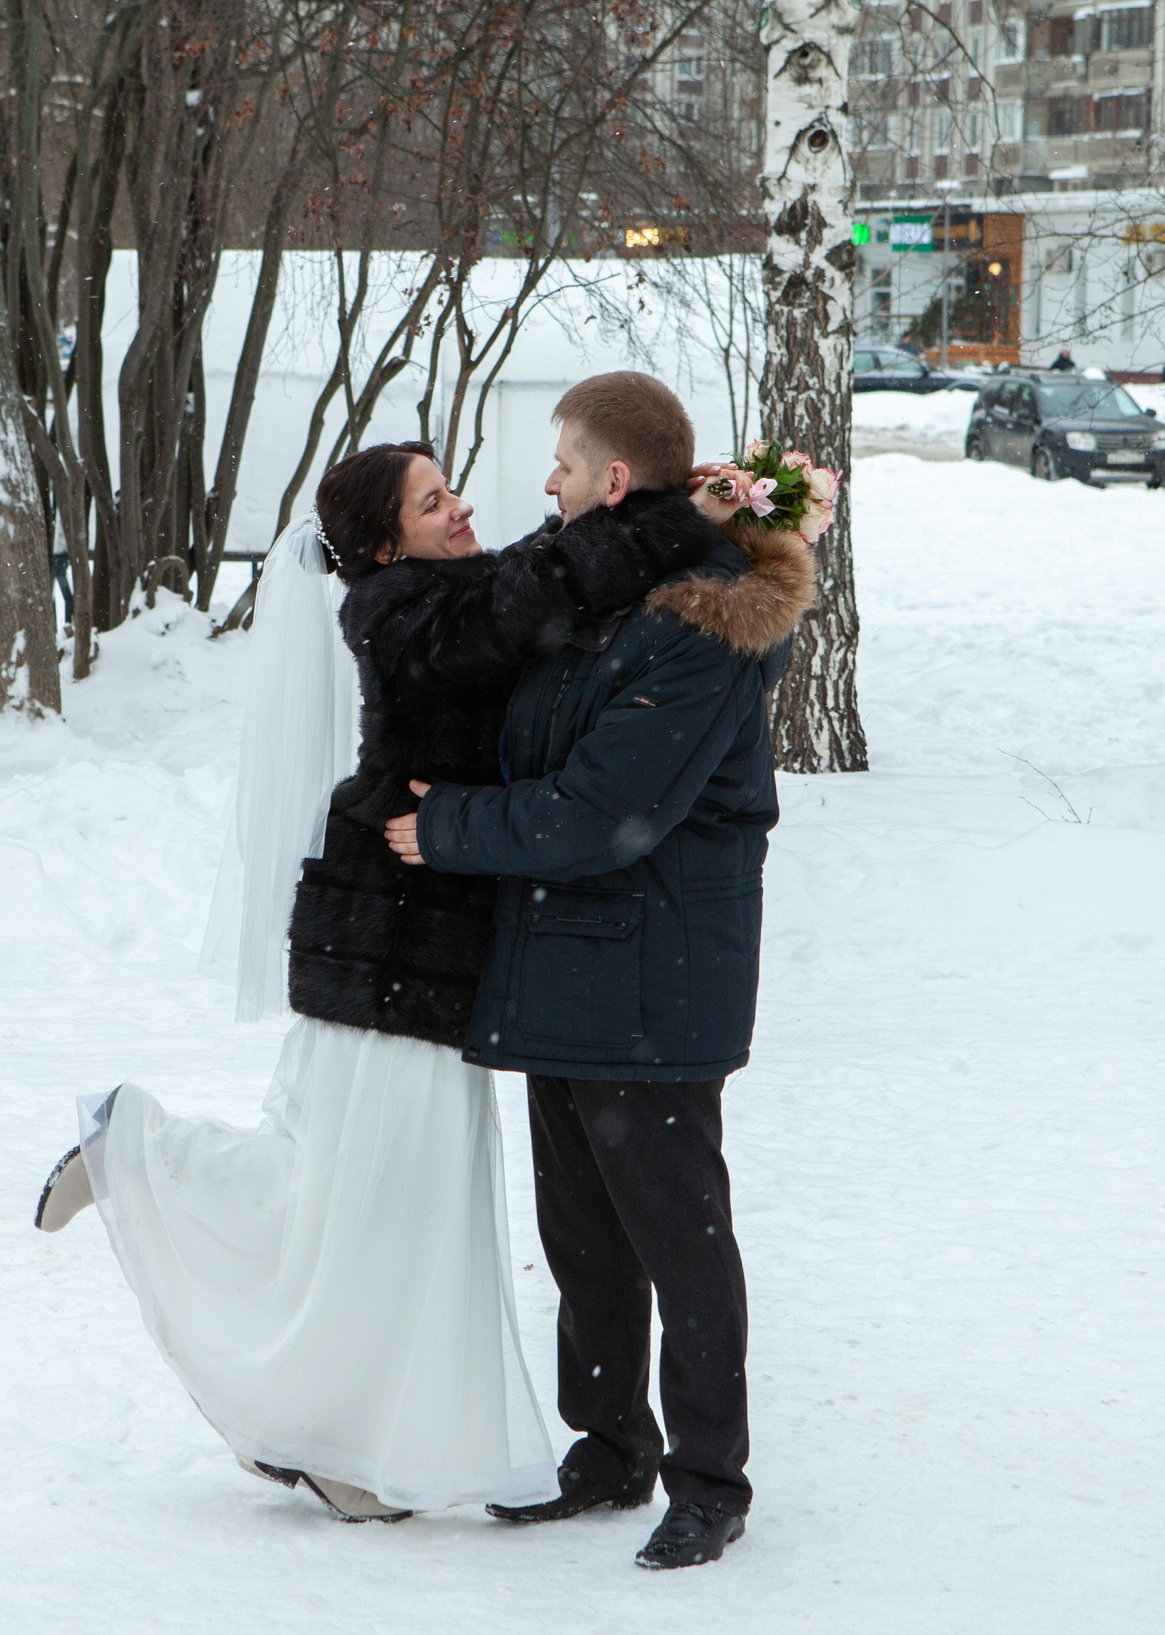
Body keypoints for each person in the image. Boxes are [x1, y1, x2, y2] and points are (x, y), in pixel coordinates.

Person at [31, 434, 751, 1523]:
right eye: (433, 500)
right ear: (381, 542)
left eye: (454, 486)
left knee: (371, 1197)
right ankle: (133, 1147)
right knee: (360, 1194)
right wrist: (671, 513)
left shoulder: (447, 591)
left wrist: (681, 516)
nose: (461, 507)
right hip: (394, 930)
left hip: (434, 935)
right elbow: (540, 587)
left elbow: (534, 577)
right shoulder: (398, 612)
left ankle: (333, 1434)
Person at [386, 372, 815, 1570]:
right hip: (567, 960)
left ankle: (708, 1482)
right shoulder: (598, 593)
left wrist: (450, 827)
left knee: (679, 1238)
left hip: (655, 974)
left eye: (563, 464)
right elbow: (496, 620)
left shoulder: (696, 625)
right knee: (583, 1237)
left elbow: (602, 811)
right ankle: (609, 1450)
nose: (545, 483)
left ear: (611, 480)